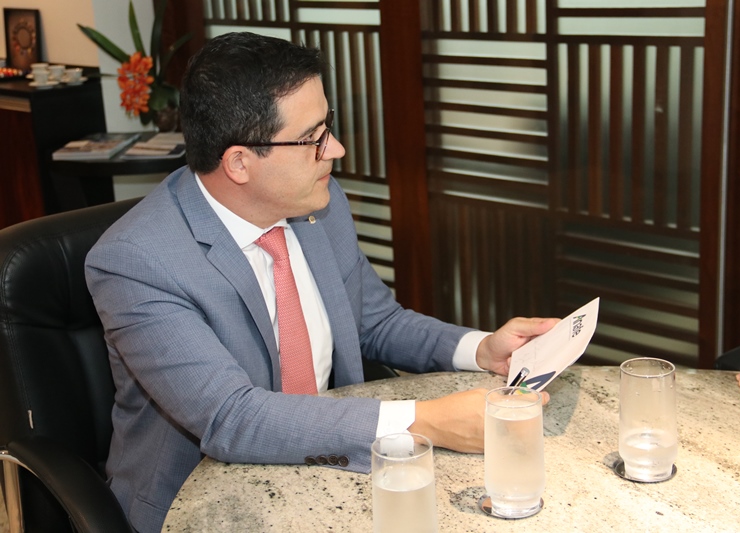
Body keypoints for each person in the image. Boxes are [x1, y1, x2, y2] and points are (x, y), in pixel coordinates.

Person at [86, 31, 558, 532]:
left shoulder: (316, 204)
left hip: (328, 471)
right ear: (239, 162)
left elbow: (374, 321)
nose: (336, 148)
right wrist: (425, 420)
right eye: (312, 138)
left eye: (327, 125)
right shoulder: (138, 262)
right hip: (200, 508)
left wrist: (481, 349)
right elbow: (230, 418)